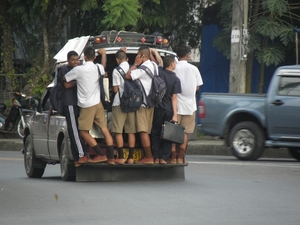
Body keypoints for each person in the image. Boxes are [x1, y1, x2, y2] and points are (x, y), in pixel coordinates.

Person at [64, 47, 115, 165]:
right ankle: (111, 157)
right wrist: (104, 54)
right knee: (104, 130)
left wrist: (77, 82)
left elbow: (65, 79)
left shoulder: (78, 70)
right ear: (94, 57)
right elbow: (103, 65)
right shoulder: (98, 68)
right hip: (98, 104)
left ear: (84, 57)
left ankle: (101, 155)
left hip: (87, 105)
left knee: (83, 132)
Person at [125, 46, 157, 164]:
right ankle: (150, 155)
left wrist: (135, 64)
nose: (137, 57)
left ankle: (149, 157)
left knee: (142, 131)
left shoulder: (142, 69)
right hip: (151, 103)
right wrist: (153, 53)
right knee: (147, 131)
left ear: (142, 56)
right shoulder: (154, 65)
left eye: (138, 55)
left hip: (142, 105)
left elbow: (128, 76)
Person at [171, 45, 203, 164]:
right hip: (190, 106)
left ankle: (173, 157)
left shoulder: (174, 67)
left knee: (173, 132)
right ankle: (180, 157)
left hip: (175, 105)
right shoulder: (194, 69)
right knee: (185, 133)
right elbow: (197, 87)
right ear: (188, 55)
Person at [57, 51, 87, 167]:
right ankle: (80, 154)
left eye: (77, 59)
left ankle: (77, 156)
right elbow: (67, 85)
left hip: (80, 103)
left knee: (80, 130)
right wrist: (81, 81)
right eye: (73, 60)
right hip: (70, 103)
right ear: (68, 60)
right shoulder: (64, 69)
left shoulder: (80, 68)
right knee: (74, 130)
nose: (76, 62)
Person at [150, 52, 181, 164]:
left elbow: (158, 62)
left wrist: (153, 52)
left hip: (158, 108)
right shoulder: (176, 79)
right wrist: (175, 115)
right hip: (169, 110)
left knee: (155, 132)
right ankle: (164, 157)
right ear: (172, 64)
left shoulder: (159, 73)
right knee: (168, 134)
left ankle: (156, 156)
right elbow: (174, 98)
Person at [111, 49, 136, 165]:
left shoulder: (116, 71)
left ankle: (121, 157)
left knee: (118, 131)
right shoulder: (134, 69)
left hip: (119, 103)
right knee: (131, 131)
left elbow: (115, 89)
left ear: (117, 60)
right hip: (132, 104)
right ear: (127, 59)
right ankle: (131, 157)